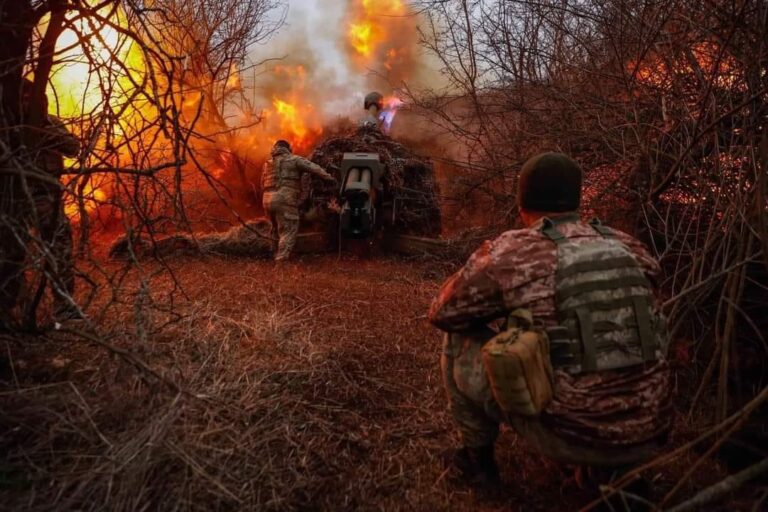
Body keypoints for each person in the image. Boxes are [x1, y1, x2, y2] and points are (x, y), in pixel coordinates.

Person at [429, 153, 671, 491]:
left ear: (522, 205)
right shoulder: (631, 247)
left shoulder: (515, 251)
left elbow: (443, 313)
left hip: (572, 434)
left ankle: (476, 463)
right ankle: (617, 472)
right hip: (650, 432)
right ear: (577, 201)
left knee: (458, 339)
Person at [0, 79, 80, 325]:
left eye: (31, 98)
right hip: (14, 198)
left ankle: (64, 305)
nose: (27, 102)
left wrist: (43, 130)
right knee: (13, 251)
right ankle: (8, 308)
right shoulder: (8, 127)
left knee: (59, 244)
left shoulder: (51, 122)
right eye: (21, 98)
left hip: (47, 195)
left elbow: (72, 147)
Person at [261, 140, 335, 261]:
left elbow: (262, 183)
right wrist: (329, 178)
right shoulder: (294, 159)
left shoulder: (267, 163)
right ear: (288, 149)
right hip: (284, 198)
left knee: (275, 229)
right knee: (288, 229)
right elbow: (314, 168)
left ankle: (272, 253)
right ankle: (281, 260)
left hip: (267, 199)